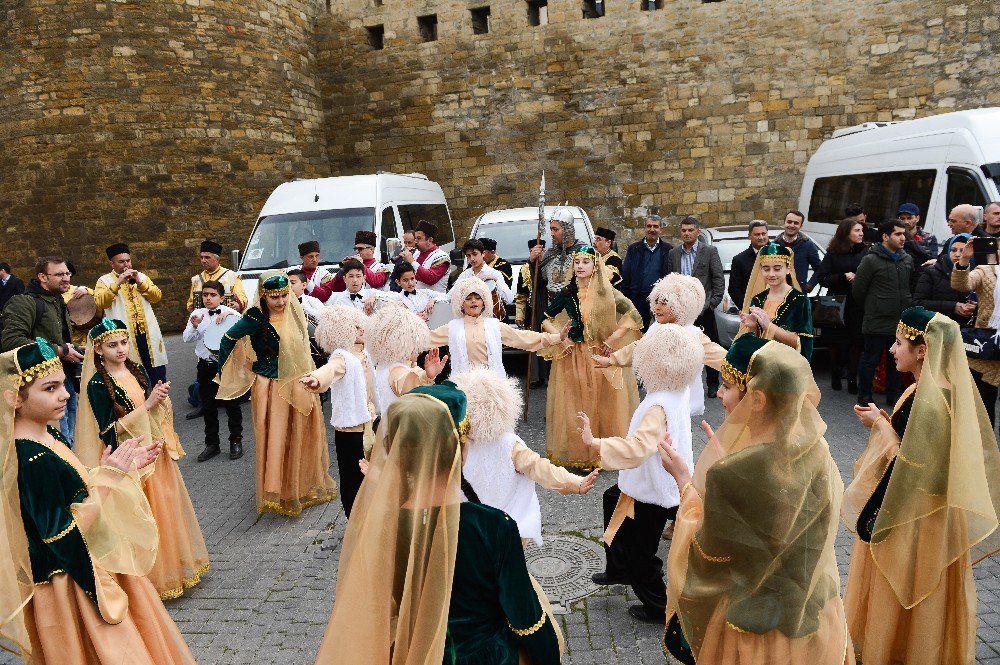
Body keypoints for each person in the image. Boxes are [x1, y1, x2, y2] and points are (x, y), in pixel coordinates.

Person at [315, 385, 563, 664]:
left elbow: (376, 610)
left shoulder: (381, 527)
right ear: (460, 450)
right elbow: (527, 620)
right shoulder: (493, 526)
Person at [0, 339, 196, 665]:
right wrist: (107, 479)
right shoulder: (30, 457)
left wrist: (117, 468)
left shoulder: (48, 434)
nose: (64, 394)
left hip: (91, 559)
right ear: (14, 399)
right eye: (49, 388)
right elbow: (59, 537)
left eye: (63, 383)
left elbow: (72, 489)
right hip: (70, 584)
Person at [659, 334, 851, 665]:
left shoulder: (730, 474)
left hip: (754, 635)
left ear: (758, 399)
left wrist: (685, 483)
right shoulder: (816, 451)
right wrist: (729, 468)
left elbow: (707, 558)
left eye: (727, 386)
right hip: (815, 618)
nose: (719, 394)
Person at [844, 307, 1000, 665]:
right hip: (927, 513)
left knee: (908, 593)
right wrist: (887, 424)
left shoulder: (932, 400)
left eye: (899, 343)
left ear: (923, 350)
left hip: (918, 518)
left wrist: (882, 429)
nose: (892, 351)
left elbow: (913, 468)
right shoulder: (928, 389)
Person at [75, 318, 210, 599]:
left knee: (167, 509)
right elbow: (108, 432)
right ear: (98, 350)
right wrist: (147, 406)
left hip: (154, 453)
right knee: (144, 515)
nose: (121, 349)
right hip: (132, 460)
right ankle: (150, 581)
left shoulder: (135, 371)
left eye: (124, 343)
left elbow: (150, 409)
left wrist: (159, 400)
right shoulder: (98, 384)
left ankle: (173, 568)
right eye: (112, 345)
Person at [579, 324, 704, 623]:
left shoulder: (657, 406)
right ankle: (618, 567)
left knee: (642, 555)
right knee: (612, 499)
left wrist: (594, 442)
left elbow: (636, 450)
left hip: (653, 487)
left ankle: (660, 608)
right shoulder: (677, 390)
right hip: (660, 478)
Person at [216, 270, 338, 517]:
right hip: (270, 386)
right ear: (263, 296)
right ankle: (278, 490)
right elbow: (228, 339)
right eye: (275, 298)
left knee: (300, 433)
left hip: (299, 381)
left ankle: (302, 485)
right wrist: (237, 372)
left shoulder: (295, 311)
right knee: (277, 437)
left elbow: (305, 345)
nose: (281, 302)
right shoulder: (254, 317)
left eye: (284, 295)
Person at [451, 367, 598, 546]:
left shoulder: (458, 443)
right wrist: (575, 482)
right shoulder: (508, 444)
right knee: (511, 571)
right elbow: (539, 467)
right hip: (508, 526)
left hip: (468, 528)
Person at [541, 245, 642, 469]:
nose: (580, 266)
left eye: (585, 262)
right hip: (576, 355)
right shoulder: (568, 294)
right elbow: (545, 318)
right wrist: (561, 337)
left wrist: (613, 339)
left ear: (595, 265)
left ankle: (606, 450)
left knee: (604, 401)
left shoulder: (607, 292)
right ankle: (584, 453)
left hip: (600, 355)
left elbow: (633, 315)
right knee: (580, 400)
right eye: (577, 262)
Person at [595, 273, 726, 419]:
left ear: (681, 306)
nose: (656, 307)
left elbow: (720, 357)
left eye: (664, 303)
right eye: (656, 301)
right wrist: (612, 359)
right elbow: (639, 348)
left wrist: (743, 371)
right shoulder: (656, 329)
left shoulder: (692, 335)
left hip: (679, 400)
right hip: (656, 396)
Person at [299, 305, 375, 518]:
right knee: (353, 480)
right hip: (351, 431)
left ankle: (372, 523)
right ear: (343, 332)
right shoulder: (342, 357)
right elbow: (329, 370)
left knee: (372, 476)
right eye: (356, 327)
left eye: (361, 325)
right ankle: (355, 523)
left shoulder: (365, 352)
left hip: (371, 422)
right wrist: (316, 379)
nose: (362, 330)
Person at [1, 256, 84, 446]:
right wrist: (61, 350)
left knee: (68, 438)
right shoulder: (24, 302)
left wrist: (78, 349)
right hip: (39, 387)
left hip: (64, 379)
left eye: (67, 273)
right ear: (42, 277)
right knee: (53, 441)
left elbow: (59, 340)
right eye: (59, 274)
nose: (66, 278)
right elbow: (12, 342)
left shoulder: (57, 300)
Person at [431, 277, 567, 378]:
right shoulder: (452, 327)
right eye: (468, 298)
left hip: (494, 385)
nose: (473, 301)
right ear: (462, 304)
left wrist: (556, 337)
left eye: (477, 298)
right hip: (463, 386)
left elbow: (523, 338)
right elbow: (425, 339)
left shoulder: (494, 325)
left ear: (483, 303)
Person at [854, 221, 913, 408]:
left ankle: (893, 395)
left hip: (899, 320)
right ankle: (864, 395)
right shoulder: (871, 260)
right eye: (898, 234)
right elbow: (858, 290)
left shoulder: (906, 259)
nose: (903, 237)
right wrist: (875, 306)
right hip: (877, 318)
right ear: (885, 237)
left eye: (904, 234)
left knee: (897, 359)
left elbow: (909, 286)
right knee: (870, 358)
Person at [182, 281, 244, 462]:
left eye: (213, 295)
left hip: (226, 365)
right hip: (205, 366)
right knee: (208, 406)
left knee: (232, 404)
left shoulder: (232, 313)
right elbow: (186, 339)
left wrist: (230, 319)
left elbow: (243, 336)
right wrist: (194, 326)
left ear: (222, 297)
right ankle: (212, 444)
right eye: (205, 295)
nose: (208, 298)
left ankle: (236, 440)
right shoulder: (197, 314)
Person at [94, 243, 168, 386]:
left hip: (148, 334)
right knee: (133, 372)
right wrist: (118, 283)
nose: (126, 264)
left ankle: (162, 403)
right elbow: (101, 302)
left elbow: (157, 297)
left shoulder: (141, 276)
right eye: (121, 262)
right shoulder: (104, 281)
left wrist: (140, 283)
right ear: (112, 263)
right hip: (124, 336)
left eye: (128, 261)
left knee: (157, 371)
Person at [667, 216, 724, 396]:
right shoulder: (673, 254)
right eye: (684, 230)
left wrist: (713, 303)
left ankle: (713, 384)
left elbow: (718, 279)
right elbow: (670, 279)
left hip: (704, 308)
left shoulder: (709, 251)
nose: (687, 233)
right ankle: (684, 385)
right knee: (682, 347)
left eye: (690, 230)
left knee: (710, 345)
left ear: (698, 232)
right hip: (681, 310)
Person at [363, 303, 447, 418]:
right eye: (414, 342)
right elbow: (411, 388)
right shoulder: (396, 369)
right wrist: (427, 377)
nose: (419, 348)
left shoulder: (385, 364)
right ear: (402, 343)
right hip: (402, 430)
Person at [952, 236, 1000, 427]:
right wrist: (965, 259)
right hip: (987, 346)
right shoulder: (986, 271)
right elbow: (961, 284)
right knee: (983, 402)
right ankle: (981, 450)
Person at [737, 243, 814, 360]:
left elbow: (804, 343)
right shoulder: (758, 299)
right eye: (766, 269)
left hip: (786, 365)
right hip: (761, 364)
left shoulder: (799, 300)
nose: (771, 274)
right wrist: (753, 327)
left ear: (788, 269)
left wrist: (769, 326)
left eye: (777, 268)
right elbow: (755, 341)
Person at [818, 218, 868, 393]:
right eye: (857, 230)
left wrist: (858, 277)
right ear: (846, 233)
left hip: (858, 302)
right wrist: (841, 277)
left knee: (856, 341)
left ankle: (852, 377)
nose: (861, 233)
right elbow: (822, 278)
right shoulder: (833, 253)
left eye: (862, 230)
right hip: (836, 302)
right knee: (835, 341)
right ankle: (835, 373)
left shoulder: (866, 252)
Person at [621, 214, 672, 327]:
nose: (652, 229)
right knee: (638, 332)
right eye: (649, 226)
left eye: (655, 226)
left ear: (661, 230)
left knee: (660, 332)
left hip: (660, 301)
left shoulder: (668, 250)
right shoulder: (634, 249)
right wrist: (628, 299)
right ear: (644, 228)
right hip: (638, 300)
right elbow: (626, 275)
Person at [914, 234, 976, 325]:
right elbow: (918, 303)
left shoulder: (978, 274)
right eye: (953, 250)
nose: (957, 255)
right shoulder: (932, 272)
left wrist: (974, 308)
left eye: (963, 251)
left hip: (966, 331)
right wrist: (953, 307)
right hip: (936, 328)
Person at [518, 238, 551, 387]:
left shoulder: (550, 265)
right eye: (534, 251)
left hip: (549, 306)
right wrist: (520, 314)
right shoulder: (525, 268)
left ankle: (552, 376)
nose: (539, 254)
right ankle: (537, 377)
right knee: (535, 341)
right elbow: (521, 294)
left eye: (541, 250)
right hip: (533, 309)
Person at [452, 239, 513, 315]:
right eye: (468, 256)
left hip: (491, 320)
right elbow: (451, 295)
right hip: (471, 321)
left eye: (475, 254)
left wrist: (495, 281)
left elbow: (509, 299)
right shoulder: (465, 275)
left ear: (483, 254)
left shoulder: (494, 273)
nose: (472, 259)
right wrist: (435, 299)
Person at [186, 239, 247, 313]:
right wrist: (192, 308)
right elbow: (190, 302)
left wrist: (238, 304)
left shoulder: (232, 276)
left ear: (217, 259)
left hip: (225, 319)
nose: (203, 261)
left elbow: (242, 297)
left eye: (207, 257)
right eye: (201, 257)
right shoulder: (196, 279)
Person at [775, 209, 822, 292]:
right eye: (789, 222)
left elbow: (820, 269)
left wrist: (809, 285)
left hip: (798, 294)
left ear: (801, 226)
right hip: (777, 292)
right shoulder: (774, 245)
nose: (792, 225)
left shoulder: (807, 245)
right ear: (784, 223)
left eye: (796, 223)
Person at [727, 220, 769, 310]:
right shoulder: (739, 260)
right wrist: (748, 308)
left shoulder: (779, 255)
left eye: (763, 234)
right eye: (757, 234)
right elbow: (734, 289)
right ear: (749, 236)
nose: (761, 237)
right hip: (752, 313)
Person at [399, 220, 451, 293]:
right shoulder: (416, 254)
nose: (416, 241)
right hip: (415, 300)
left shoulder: (441, 256)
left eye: (419, 238)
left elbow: (431, 279)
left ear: (430, 240)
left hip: (434, 302)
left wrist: (412, 262)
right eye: (415, 238)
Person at [897, 203, 937, 274]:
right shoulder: (896, 236)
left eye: (909, 218)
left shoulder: (929, 238)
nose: (906, 222)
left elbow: (933, 260)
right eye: (902, 218)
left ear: (917, 218)